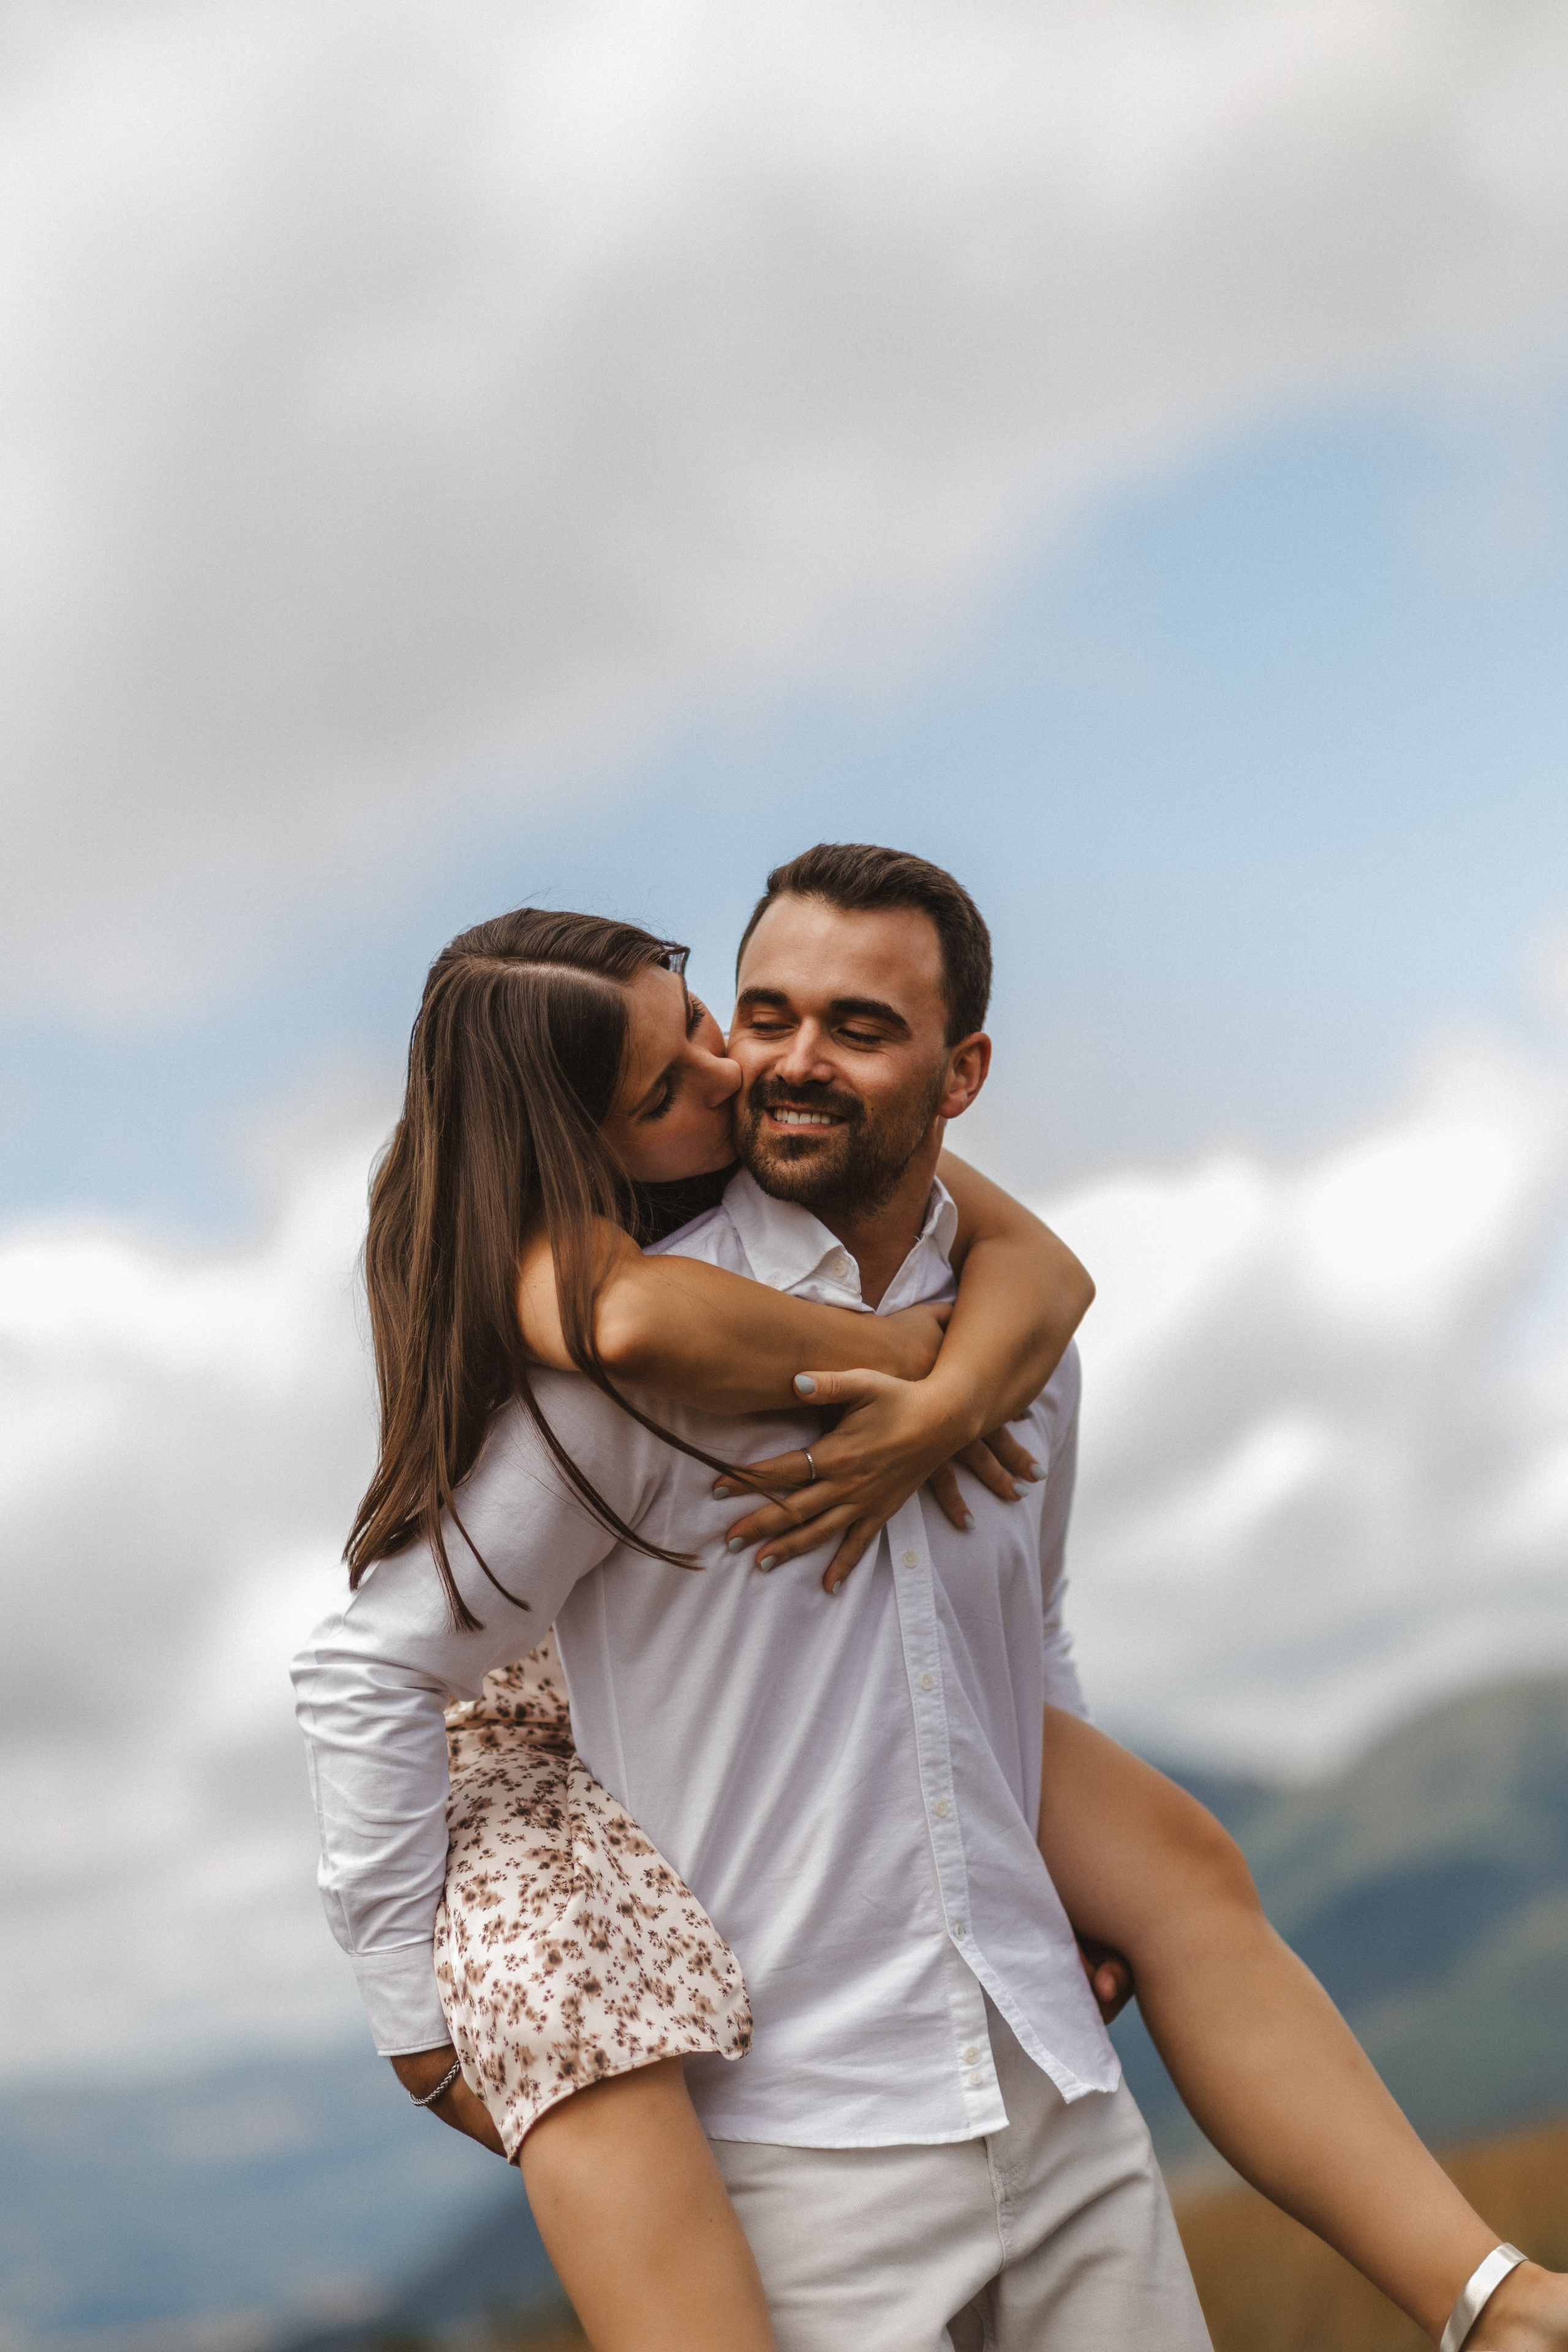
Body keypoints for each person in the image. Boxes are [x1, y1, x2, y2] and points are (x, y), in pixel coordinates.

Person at [295, 848, 1568, 2352]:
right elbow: (369, 1665)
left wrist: (1058, 1893)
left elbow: (1026, 1638)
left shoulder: (1019, 1349)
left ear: (960, 1073)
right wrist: (414, 2019)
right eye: (761, 1016)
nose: (773, 1064)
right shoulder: (619, 1364)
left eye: (856, 1026)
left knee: (1190, 1865)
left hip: (1057, 2094)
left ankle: (1494, 2309)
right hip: (797, 2147)